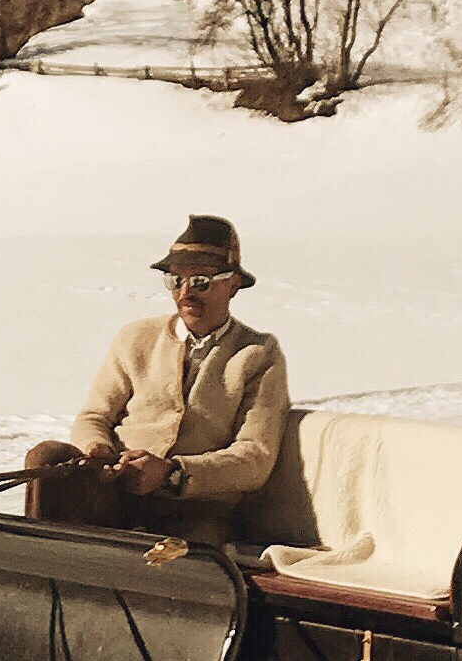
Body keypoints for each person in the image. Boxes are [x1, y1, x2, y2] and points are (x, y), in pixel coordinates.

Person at [25, 214, 289, 544]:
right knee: (47, 459)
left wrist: (172, 473)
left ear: (232, 284)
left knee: (190, 557)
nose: (185, 293)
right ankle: (44, 573)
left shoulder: (259, 354)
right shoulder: (135, 338)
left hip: (195, 510)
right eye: (175, 281)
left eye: (201, 282)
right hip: (116, 496)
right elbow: (94, 417)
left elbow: (254, 457)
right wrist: (97, 450)